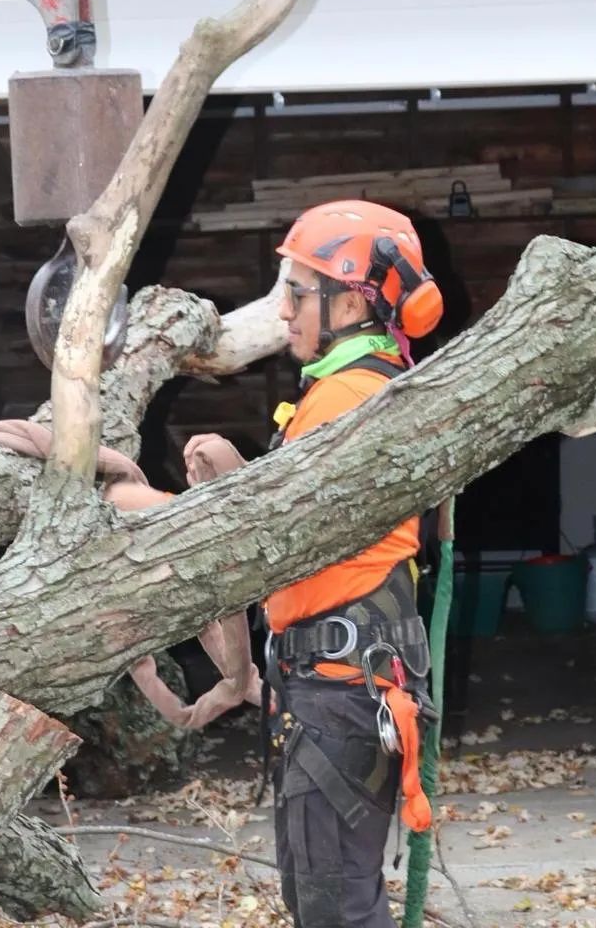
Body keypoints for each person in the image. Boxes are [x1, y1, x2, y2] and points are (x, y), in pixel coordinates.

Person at [185, 200, 444, 928]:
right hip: (330, 688)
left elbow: (275, 537)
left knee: (335, 910)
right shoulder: (340, 391)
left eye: (297, 292)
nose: (283, 312)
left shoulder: (353, 397)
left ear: (355, 299)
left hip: (341, 691)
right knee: (324, 900)